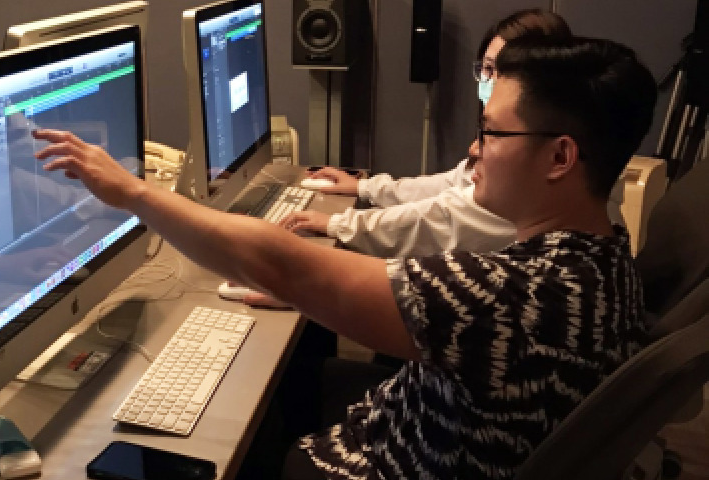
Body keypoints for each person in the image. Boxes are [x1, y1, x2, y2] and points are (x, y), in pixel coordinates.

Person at [32, 35, 656, 479]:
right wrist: (315, 292)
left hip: (374, 461)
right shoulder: (604, 256)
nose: (474, 149)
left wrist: (135, 194)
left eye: (491, 132)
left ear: (559, 158)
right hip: (415, 425)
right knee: (284, 366)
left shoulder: (517, 295)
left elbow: (283, 264)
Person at [278, 10, 581, 259]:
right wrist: (366, 188)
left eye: (504, 73)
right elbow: (453, 184)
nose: (474, 150)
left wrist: (338, 226)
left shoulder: (532, 173)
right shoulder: (521, 140)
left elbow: (444, 217)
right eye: (488, 69)